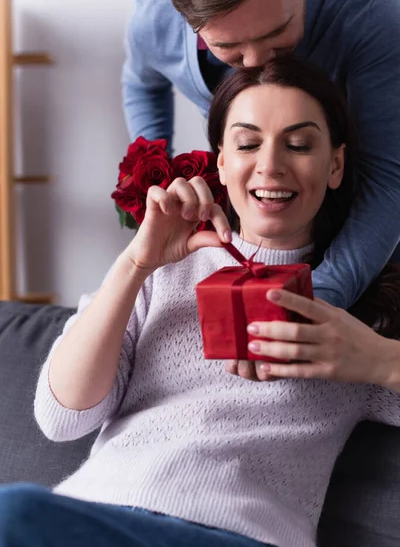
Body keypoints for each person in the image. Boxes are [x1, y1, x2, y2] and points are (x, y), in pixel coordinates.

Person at [1, 56, 400, 547]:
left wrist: (380, 360)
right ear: (222, 161)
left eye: (298, 145)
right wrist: (135, 265)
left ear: (335, 164)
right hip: (94, 517)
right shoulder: (162, 270)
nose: (270, 165)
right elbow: (62, 419)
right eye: (248, 143)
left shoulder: (365, 305)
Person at [122, 0, 400, 312]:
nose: (253, 63)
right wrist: (161, 176)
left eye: (278, 32)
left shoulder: (365, 3)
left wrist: (322, 296)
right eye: (227, 47)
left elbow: (388, 172)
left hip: (366, 235)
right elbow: (142, 84)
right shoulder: (154, 16)